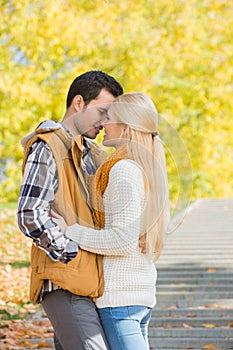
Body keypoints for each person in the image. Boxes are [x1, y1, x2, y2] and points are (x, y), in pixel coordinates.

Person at [52, 92, 170, 350]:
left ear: (126, 128)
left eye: (109, 117)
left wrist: (70, 230)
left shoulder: (123, 170)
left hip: (120, 300)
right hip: (138, 295)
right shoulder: (144, 167)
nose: (103, 123)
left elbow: (121, 241)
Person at [17, 70, 123, 350]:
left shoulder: (91, 153)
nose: (105, 122)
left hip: (89, 283)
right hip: (64, 281)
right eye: (102, 111)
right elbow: (29, 213)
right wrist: (70, 252)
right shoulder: (47, 146)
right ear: (79, 103)